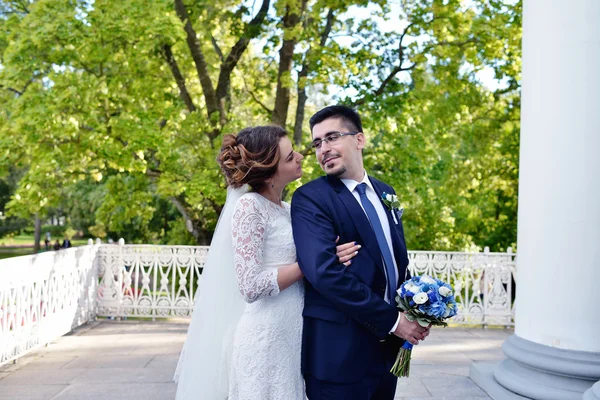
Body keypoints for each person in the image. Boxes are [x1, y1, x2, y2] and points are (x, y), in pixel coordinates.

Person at [174, 125, 360, 400]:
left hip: (293, 332)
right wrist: (316, 263)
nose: (300, 156)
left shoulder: (287, 209)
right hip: (266, 338)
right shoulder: (250, 207)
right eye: (289, 157)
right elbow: (250, 285)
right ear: (270, 173)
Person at [291, 105, 431, 399]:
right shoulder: (310, 198)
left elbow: (394, 260)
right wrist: (394, 322)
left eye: (332, 137)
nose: (323, 149)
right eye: (317, 143)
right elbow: (324, 273)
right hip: (339, 353)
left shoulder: (385, 191)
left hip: (386, 353)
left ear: (359, 140)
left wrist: (416, 307)